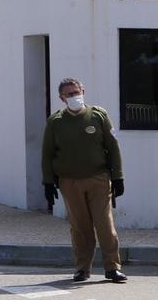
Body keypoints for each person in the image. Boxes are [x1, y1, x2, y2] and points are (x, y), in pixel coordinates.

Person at [41, 78, 127, 283]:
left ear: (83, 91)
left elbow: (113, 147)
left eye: (76, 92)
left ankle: (112, 267)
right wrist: (48, 182)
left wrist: (118, 177)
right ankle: (82, 268)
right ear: (61, 98)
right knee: (80, 226)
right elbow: (47, 154)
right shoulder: (56, 122)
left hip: (98, 178)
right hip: (69, 182)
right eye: (69, 94)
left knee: (104, 224)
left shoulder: (98, 115)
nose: (74, 97)